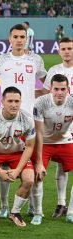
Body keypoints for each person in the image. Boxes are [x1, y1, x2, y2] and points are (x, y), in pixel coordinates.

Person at [0, 24, 47, 218]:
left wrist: (32, 94)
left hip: (29, 119)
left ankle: (34, 207)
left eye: (22, 36)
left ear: (26, 38)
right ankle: (3, 206)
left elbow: (48, 83)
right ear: (9, 39)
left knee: (32, 165)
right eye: (15, 36)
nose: (19, 40)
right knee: (5, 160)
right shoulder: (1, 60)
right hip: (5, 118)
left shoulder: (35, 59)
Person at [0, 86, 35, 228]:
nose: (14, 104)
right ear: (2, 102)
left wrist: (17, 171)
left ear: (21, 102)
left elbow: (29, 146)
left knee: (29, 180)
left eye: (17, 101)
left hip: (16, 153)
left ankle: (15, 212)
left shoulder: (27, 118)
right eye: (10, 101)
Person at [37, 37, 73, 219]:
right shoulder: (54, 71)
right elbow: (45, 94)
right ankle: (61, 204)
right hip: (56, 122)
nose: (67, 52)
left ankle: (66, 205)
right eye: (64, 49)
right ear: (59, 51)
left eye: (70, 48)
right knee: (58, 162)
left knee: (65, 166)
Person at [32, 74, 73, 225]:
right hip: (45, 142)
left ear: (68, 89)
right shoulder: (41, 103)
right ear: (50, 89)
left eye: (63, 89)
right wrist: (39, 161)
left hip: (65, 140)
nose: (59, 92)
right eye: (56, 89)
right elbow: (39, 133)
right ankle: (38, 213)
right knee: (38, 175)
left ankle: (71, 212)